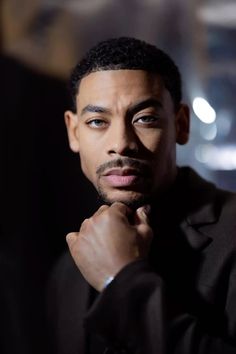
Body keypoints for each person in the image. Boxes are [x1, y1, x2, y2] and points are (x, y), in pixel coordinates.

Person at [47, 37, 236, 354]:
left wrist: (120, 280)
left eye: (144, 118)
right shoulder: (67, 269)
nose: (121, 143)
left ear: (181, 124)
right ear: (73, 132)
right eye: (97, 122)